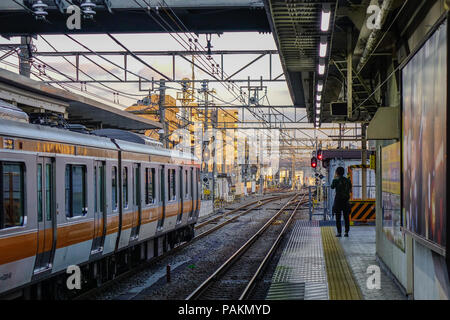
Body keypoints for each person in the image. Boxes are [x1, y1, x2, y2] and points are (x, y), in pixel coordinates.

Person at [331, 167, 352, 237]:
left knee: (338, 217)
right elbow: (350, 188)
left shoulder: (335, 180)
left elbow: (332, 187)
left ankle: (339, 232)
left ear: (337, 172)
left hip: (338, 201)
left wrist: (335, 177)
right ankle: (346, 232)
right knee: (346, 217)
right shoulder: (347, 180)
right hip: (346, 201)